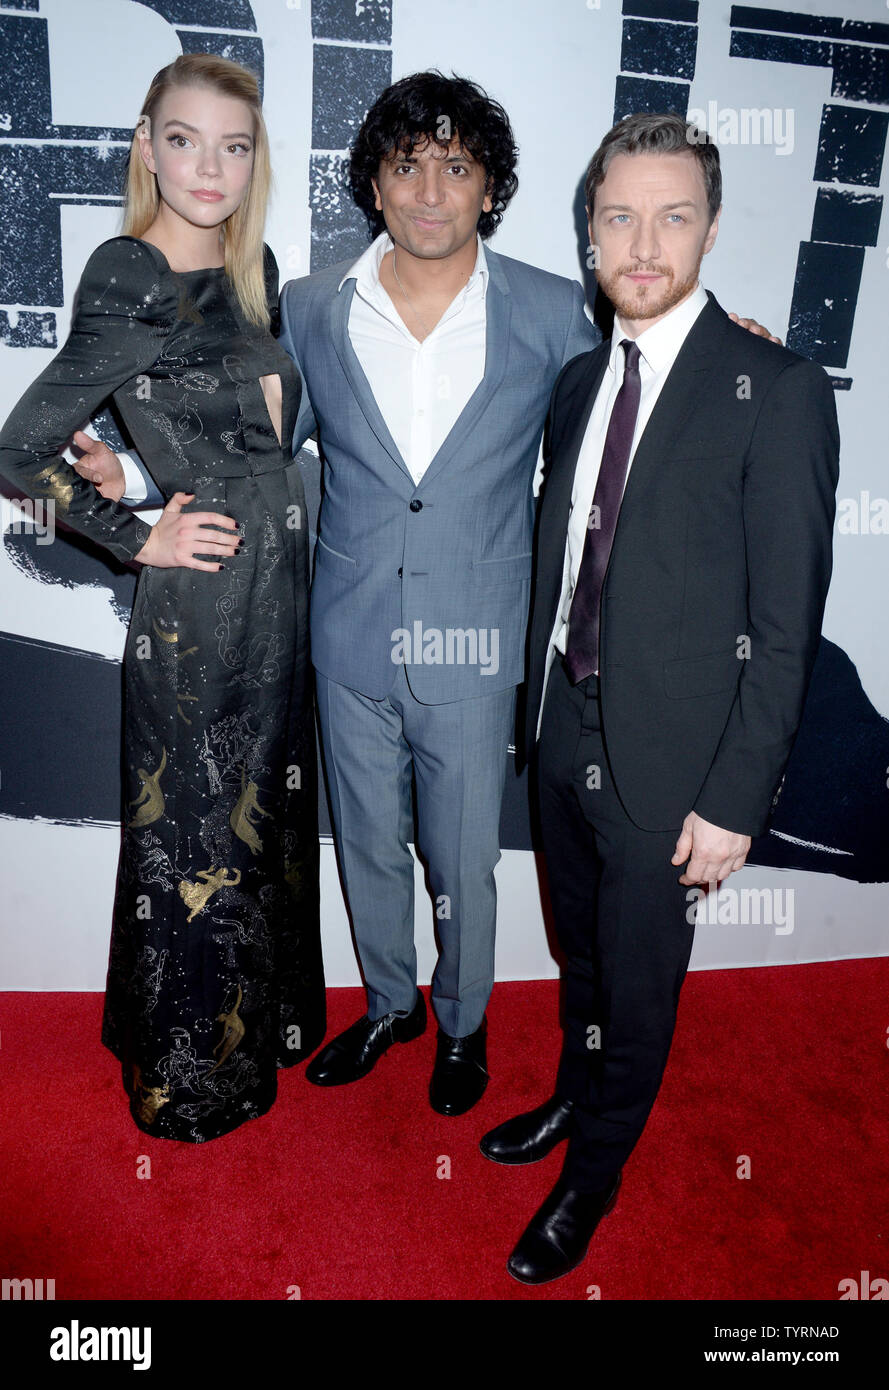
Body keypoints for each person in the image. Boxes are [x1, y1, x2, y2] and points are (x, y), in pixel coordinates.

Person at [83, 73, 773, 1121]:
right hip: (346, 633)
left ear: (490, 188)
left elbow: (649, 382)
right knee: (363, 845)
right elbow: (248, 445)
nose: (431, 190)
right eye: (407, 165)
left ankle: (461, 1025)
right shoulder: (310, 305)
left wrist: (739, 353)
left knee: (461, 859)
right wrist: (133, 491)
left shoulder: (553, 308)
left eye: (457, 167)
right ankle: (390, 1005)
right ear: (373, 180)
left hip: (478, 643)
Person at [479, 112, 840, 1283]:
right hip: (564, 725)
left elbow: (786, 628)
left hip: (675, 763)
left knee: (638, 982)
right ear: (589, 230)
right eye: (618, 216)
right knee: (579, 952)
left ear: (712, 226)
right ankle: (573, 1098)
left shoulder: (773, 387)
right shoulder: (581, 379)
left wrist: (734, 799)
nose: (644, 243)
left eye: (671, 215)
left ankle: (594, 1174)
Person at [0, 53, 325, 1142]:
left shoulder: (256, 266)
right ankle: (185, 1078)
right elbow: (17, 454)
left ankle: (243, 1047)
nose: (210, 167)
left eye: (234, 146)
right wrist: (135, 540)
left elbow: (235, 436)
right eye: (183, 139)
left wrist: (138, 477)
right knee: (192, 845)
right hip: (198, 617)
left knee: (253, 831)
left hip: (278, 599)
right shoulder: (127, 270)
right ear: (146, 145)